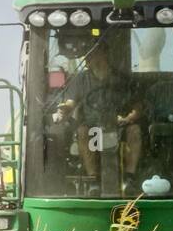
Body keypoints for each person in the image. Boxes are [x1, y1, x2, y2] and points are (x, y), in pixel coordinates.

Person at [53, 44, 145, 194]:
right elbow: (70, 103)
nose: (88, 58)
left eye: (93, 54)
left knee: (135, 130)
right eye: (87, 55)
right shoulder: (80, 79)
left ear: (105, 55)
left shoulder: (122, 80)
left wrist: (128, 118)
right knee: (82, 131)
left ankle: (129, 179)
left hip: (119, 126)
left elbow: (138, 108)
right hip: (93, 128)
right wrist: (64, 109)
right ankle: (93, 182)